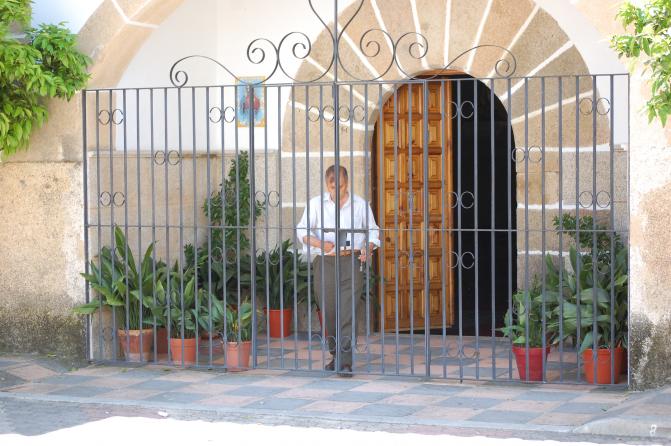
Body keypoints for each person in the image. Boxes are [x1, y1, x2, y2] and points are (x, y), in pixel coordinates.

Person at [296, 165, 380, 377]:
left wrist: (368, 248)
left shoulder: (360, 205)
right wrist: (320, 243)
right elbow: (301, 230)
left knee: (347, 312)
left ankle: (345, 362)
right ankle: (336, 355)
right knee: (329, 311)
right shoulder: (316, 204)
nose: (337, 191)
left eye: (341, 186)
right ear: (327, 185)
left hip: (351, 260)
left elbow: (373, 231)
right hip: (325, 261)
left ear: (347, 183)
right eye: (332, 187)